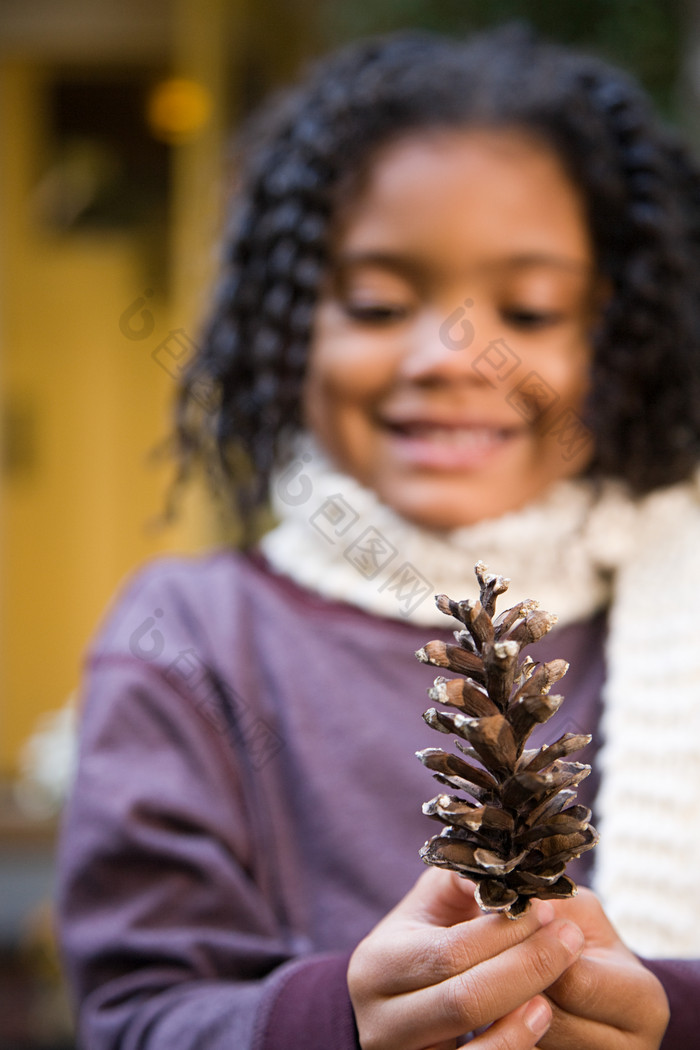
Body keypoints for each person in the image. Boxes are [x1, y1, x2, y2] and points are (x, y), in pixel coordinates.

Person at [56, 23, 700, 1049]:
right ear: (292, 321)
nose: (452, 354)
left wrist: (670, 1014)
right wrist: (335, 1025)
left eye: (528, 312)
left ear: (610, 341)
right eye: (377, 301)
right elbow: (135, 1014)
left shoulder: (686, 600)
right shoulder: (191, 637)